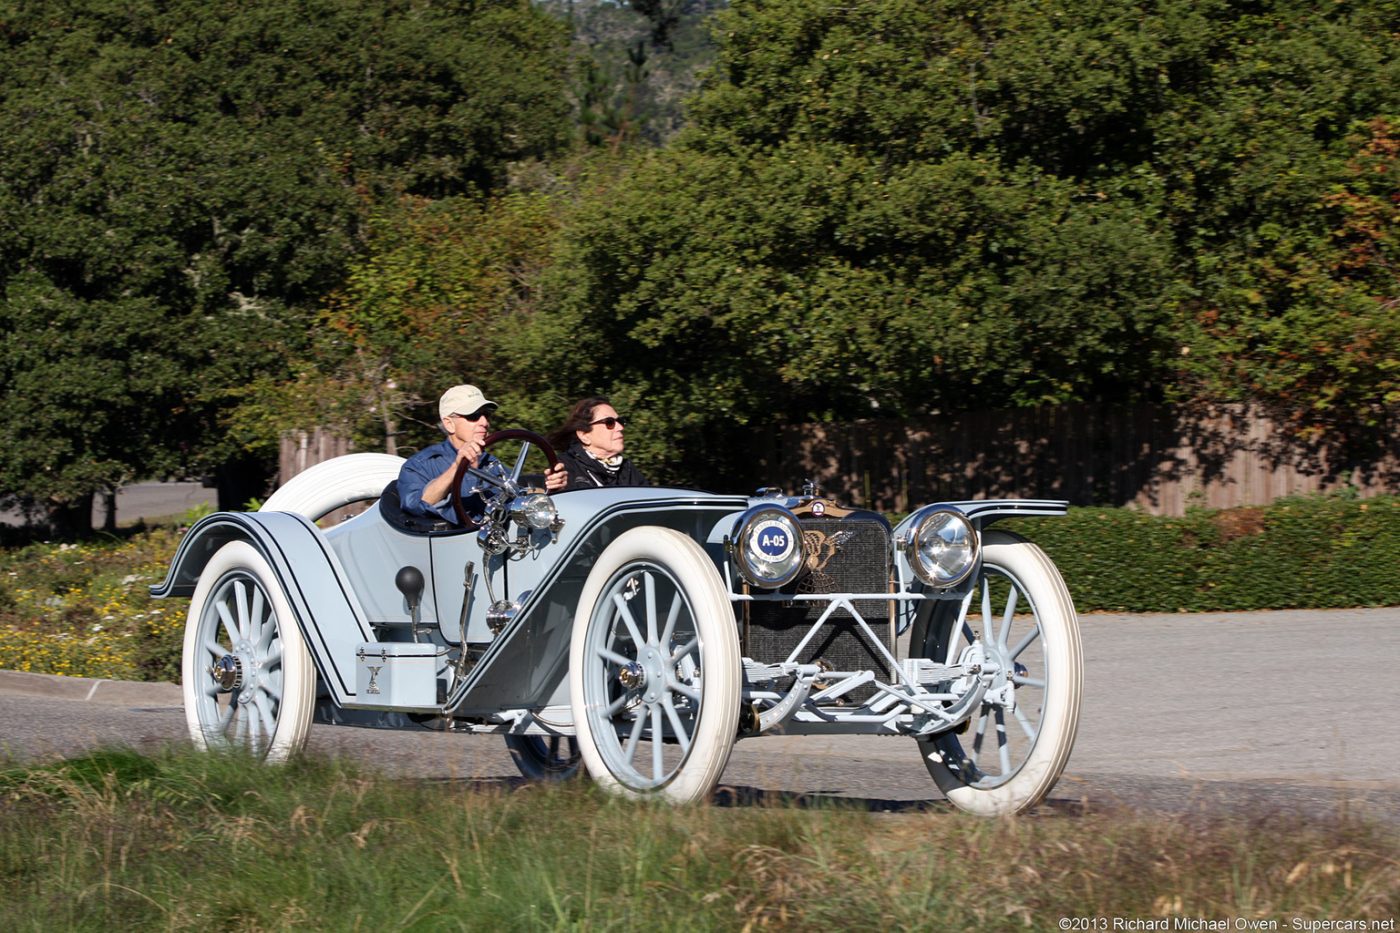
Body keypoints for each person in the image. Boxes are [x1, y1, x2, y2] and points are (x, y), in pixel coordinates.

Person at [398, 384, 566, 523]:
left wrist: (550, 488)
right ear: (449, 424)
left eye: (486, 415)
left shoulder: (492, 464)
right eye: (474, 416)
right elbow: (416, 504)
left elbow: (516, 497)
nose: (484, 422)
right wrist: (457, 467)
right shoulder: (420, 465)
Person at [547, 396, 649, 491]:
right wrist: (555, 489)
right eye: (609, 422)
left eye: (620, 421)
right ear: (584, 435)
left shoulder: (628, 469)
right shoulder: (564, 469)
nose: (620, 428)